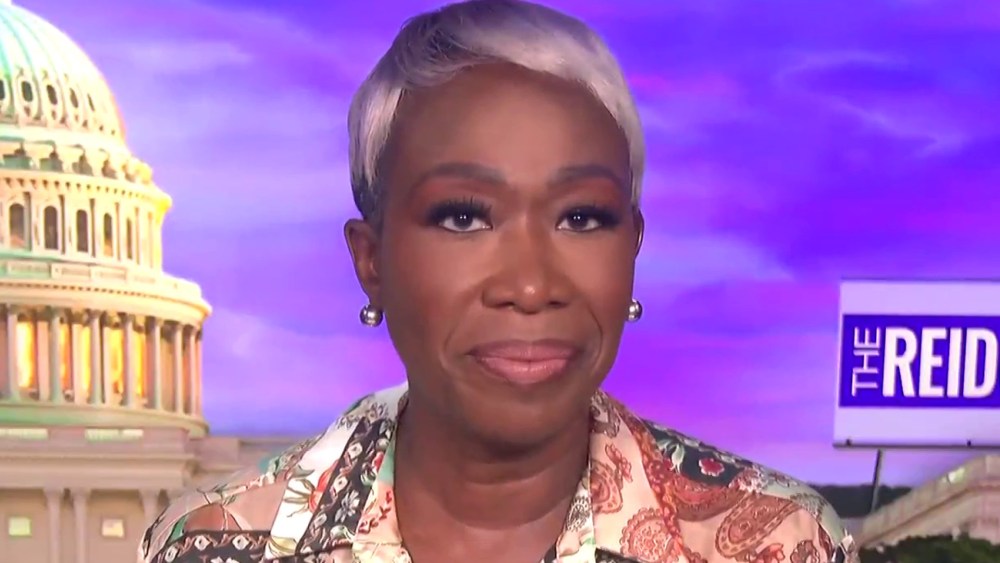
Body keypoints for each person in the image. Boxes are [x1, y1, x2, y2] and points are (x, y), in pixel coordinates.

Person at [138, 1, 859, 562]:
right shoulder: (218, 542)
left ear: (633, 248)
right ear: (371, 260)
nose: (531, 286)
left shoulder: (777, 541)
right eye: (463, 217)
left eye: (581, 218)